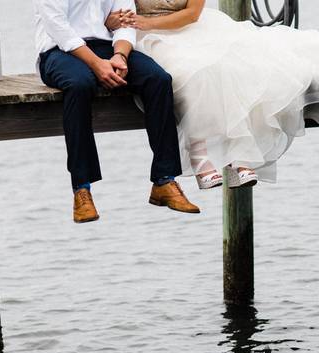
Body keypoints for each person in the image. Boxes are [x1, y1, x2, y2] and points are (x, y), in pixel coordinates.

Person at [105, 0, 319, 190]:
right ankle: (200, 157)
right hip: (149, 39)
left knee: (236, 66)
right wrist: (122, 23)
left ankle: (240, 158)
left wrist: (147, 21)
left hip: (191, 28)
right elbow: (107, 14)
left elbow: (192, 14)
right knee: (193, 73)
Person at [34, 0, 200, 223]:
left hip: (106, 45)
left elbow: (125, 20)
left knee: (158, 80)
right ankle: (82, 189)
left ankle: (164, 180)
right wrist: (96, 64)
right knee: (80, 85)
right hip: (58, 51)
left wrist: (120, 56)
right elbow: (58, 28)